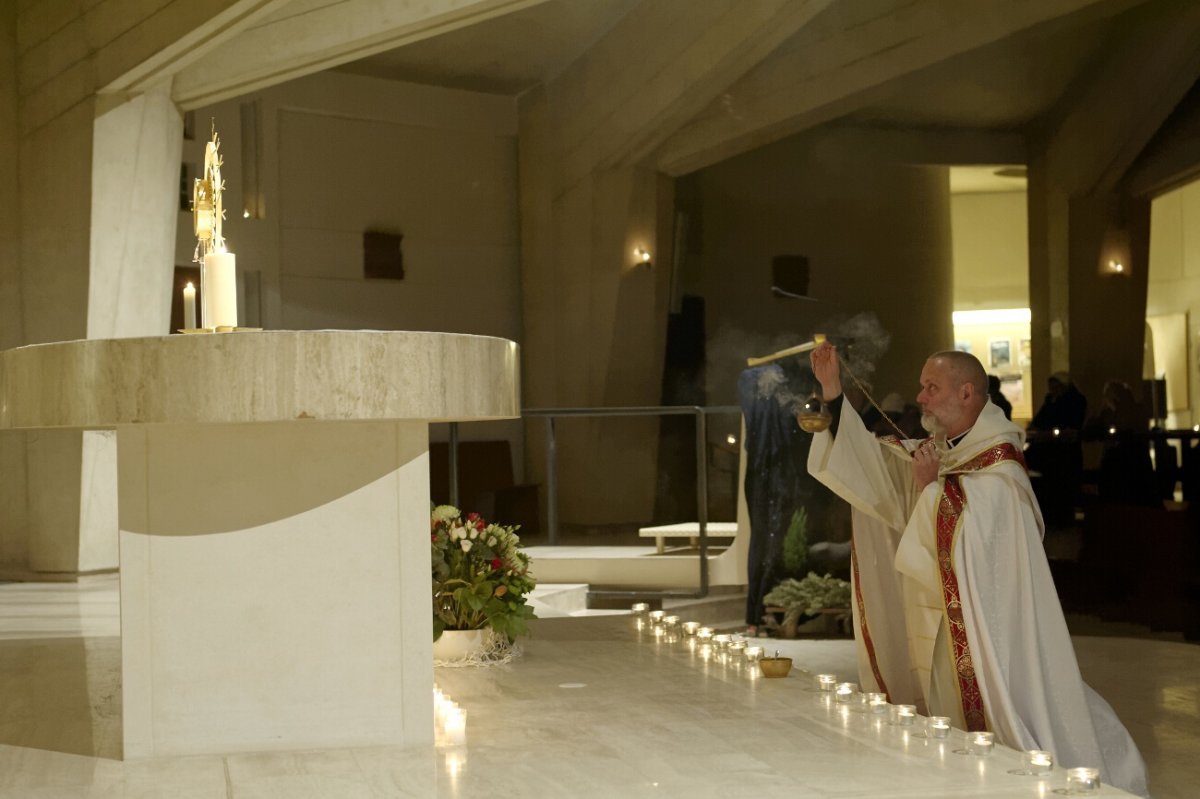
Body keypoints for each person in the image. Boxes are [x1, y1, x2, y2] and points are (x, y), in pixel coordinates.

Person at [804, 343, 1148, 798]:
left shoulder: (1000, 465)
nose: (921, 397)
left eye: (932, 387)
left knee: (1005, 719)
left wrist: (929, 490)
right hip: (951, 620)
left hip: (990, 632)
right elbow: (880, 470)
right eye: (922, 387)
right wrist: (833, 393)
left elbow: (977, 535)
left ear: (966, 393)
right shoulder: (943, 449)